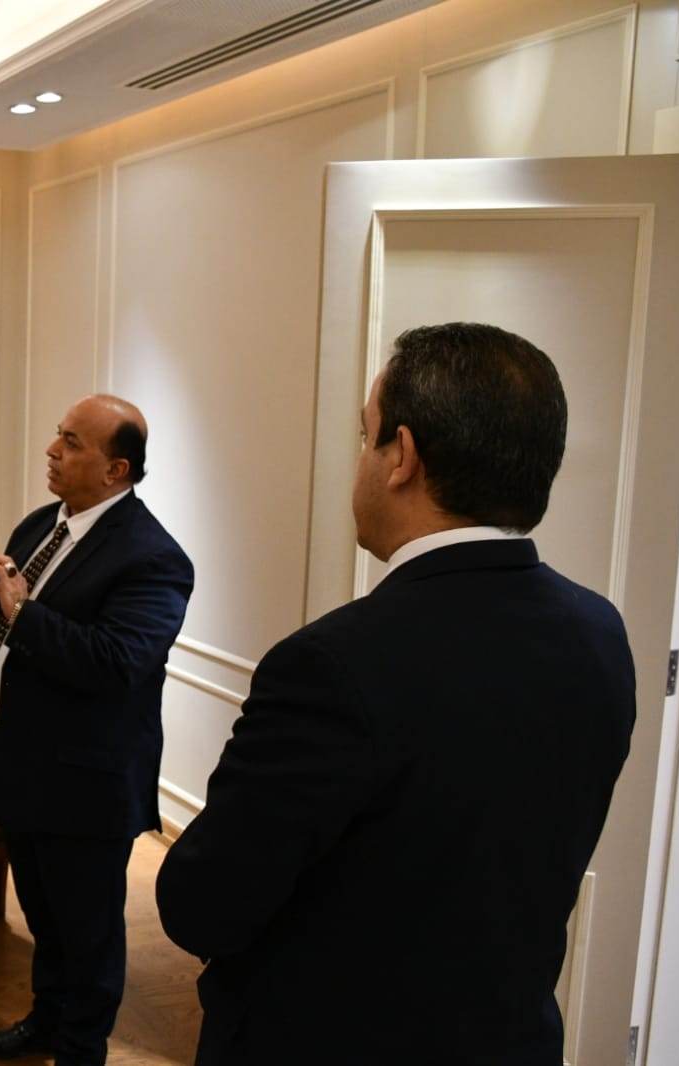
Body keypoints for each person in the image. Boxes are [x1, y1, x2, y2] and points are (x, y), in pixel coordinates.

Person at [156, 323, 636, 1065]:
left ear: (402, 457)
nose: (359, 459)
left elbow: (204, 907)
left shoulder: (333, 663)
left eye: (365, 436)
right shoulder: (599, 631)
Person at [0, 394, 193, 1066]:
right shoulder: (42, 524)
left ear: (116, 470)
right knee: (45, 919)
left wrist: (22, 611)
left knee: (87, 933)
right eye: (58, 435)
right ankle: (47, 1022)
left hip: (86, 782)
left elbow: (116, 663)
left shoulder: (153, 558)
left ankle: (82, 1050)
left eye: (71, 442)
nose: (52, 450)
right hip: (22, 763)